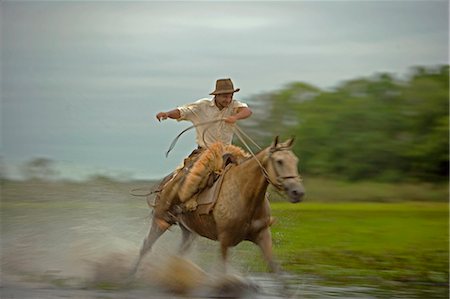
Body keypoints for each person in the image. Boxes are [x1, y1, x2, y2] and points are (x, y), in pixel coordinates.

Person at [153, 78, 252, 228]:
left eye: (230, 95)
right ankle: (168, 212)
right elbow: (182, 111)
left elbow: (247, 111)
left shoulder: (234, 106)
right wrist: (167, 114)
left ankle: (255, 215)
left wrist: (235, 117)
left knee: (251, 173)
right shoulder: (202, 106)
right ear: (216, 96)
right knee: (184, 178)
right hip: (205, 153)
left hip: (228, 153)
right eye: (225, 96)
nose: (228, 99)